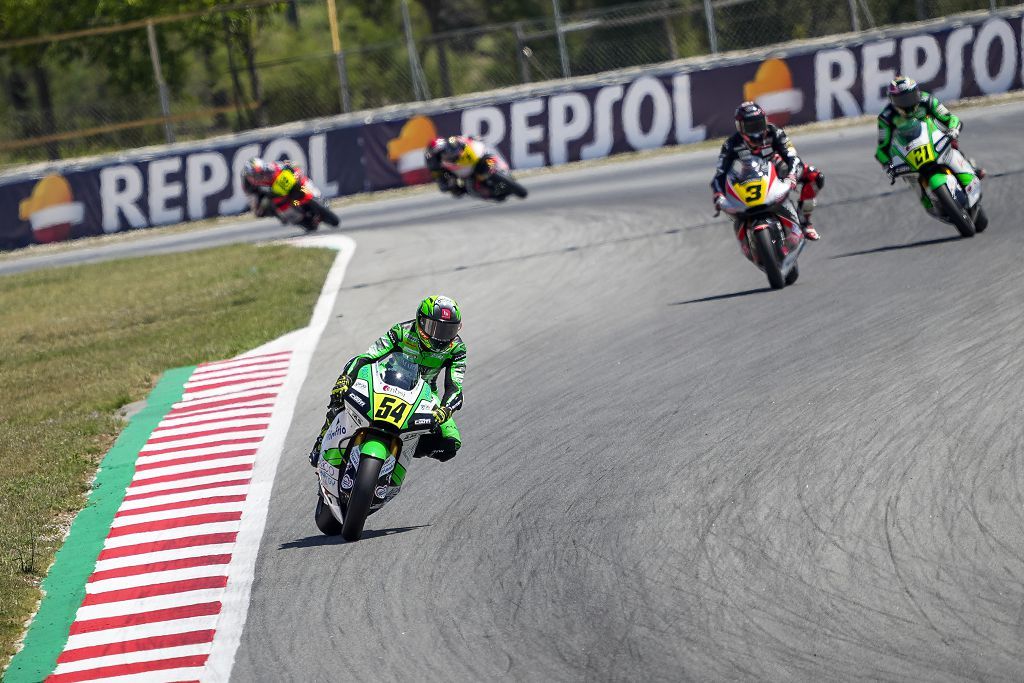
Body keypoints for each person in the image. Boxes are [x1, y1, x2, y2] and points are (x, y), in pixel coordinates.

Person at [309, 295, 467, 467]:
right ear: (420, 321)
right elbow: (367, 357)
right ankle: (323, 438)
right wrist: (346, 378)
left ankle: (398, 450)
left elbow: (455, 387)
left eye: (448, 331)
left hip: (426, 392)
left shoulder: (457, 348)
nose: (441, 338)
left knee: (450, 444)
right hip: (388, 379)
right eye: (435, 328)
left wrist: (444, 410)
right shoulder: (402, 331)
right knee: (343, 392)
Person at [711, 101, 824, 241]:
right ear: (740, 128)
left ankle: (805, 221)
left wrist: (792, 175)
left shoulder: (775, 132)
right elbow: (720, 174)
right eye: (751, 127)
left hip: (778, 170)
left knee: (815, 176)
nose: (756, 132)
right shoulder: (731, 145)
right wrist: (718, 195)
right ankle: (746, 229)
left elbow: (792, 157)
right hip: (750, 178)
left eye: (759, 125)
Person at [875, 76, 983, 182]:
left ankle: (968, 167)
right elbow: (882, 149)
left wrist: (953, 129)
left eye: (910, 97)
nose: (907, 103)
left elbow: (949, 118)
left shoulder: (927, 100)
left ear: (917, 93)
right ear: (892, 101)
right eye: (901, 100)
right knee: (905, 174)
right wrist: (887, 165)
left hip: (932, 136)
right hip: (908, 149)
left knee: (952, 143)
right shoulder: (886, 117)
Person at [241, 156, 319, 227]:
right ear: (248, 175)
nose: (259, 176)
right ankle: (290, 217)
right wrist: (262, 205)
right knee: (259, 212)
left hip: (282, 185)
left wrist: (292, 166)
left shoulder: (270, 167)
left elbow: (287, 165)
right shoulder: (248, 186)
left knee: (301, 181)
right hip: (271, 197)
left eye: (261, 172)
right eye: (255, 175)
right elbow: (254, 204)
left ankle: (316, 195)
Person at [425, 135, 500, 198]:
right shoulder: (436, 165)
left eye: (446, 149)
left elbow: (467, 137)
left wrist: (475, 138)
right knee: (459, 192)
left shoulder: (454, 141)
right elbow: (442, 185)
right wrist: (450, 184)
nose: (446, 153)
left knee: (488, 154)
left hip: (474, 159)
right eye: (441, 153)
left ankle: (501, 169)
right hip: (465, 175)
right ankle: (488, 194)